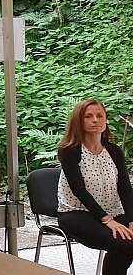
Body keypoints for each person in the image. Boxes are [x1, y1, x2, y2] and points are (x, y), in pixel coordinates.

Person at [57, 99, 133, 275]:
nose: (95, 120)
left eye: (100, 116)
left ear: (106, 120)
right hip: (77, 213)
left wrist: (131, 220)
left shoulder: (114, 151)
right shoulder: (70, 151)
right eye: (88, 116)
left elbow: (125, 188)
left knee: (128, 241)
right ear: (78, 121)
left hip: (113, 210)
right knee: (125, 244)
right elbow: (79, 190)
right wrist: (107, 220)